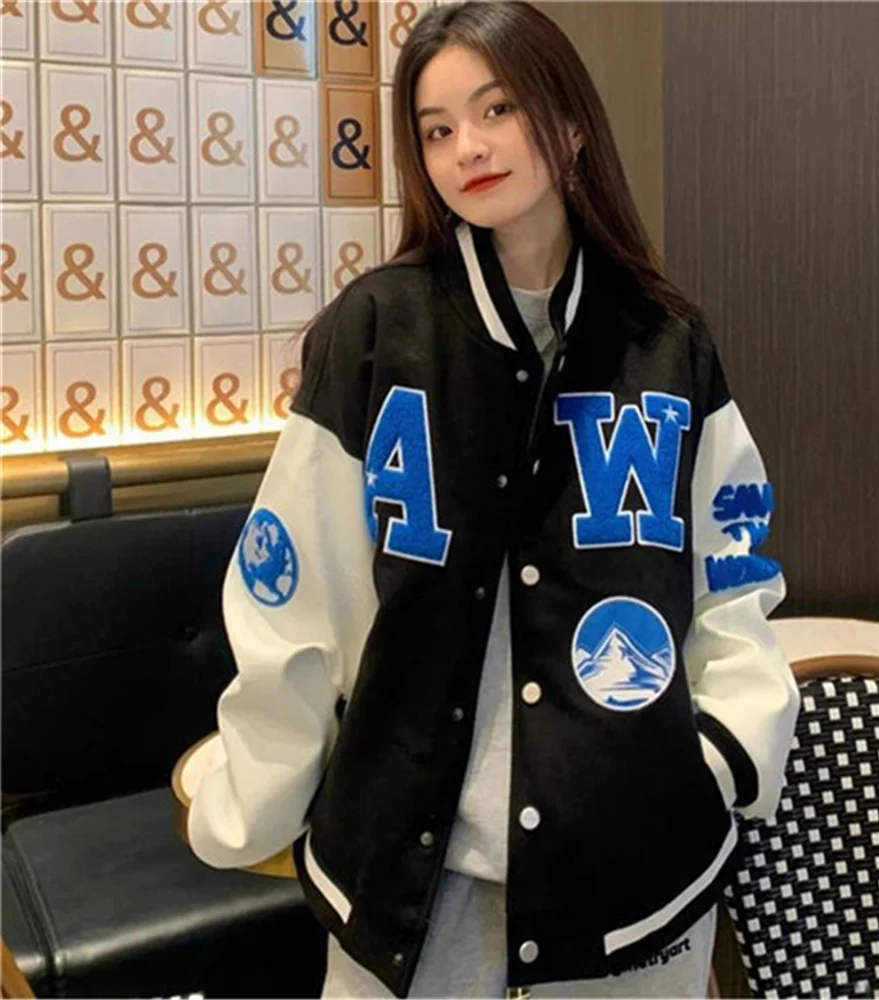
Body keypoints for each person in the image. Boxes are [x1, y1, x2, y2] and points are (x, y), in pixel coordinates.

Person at [185, 3, 801, 998]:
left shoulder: (665, 343)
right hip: (413, 883)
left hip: (632, 872)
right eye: (436, 129)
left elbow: (733, 575)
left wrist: (723, 757)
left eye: (497, 109)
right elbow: (291, 598)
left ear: (571, 122)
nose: (466, 147)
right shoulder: (373, 334)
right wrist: (253, 797)